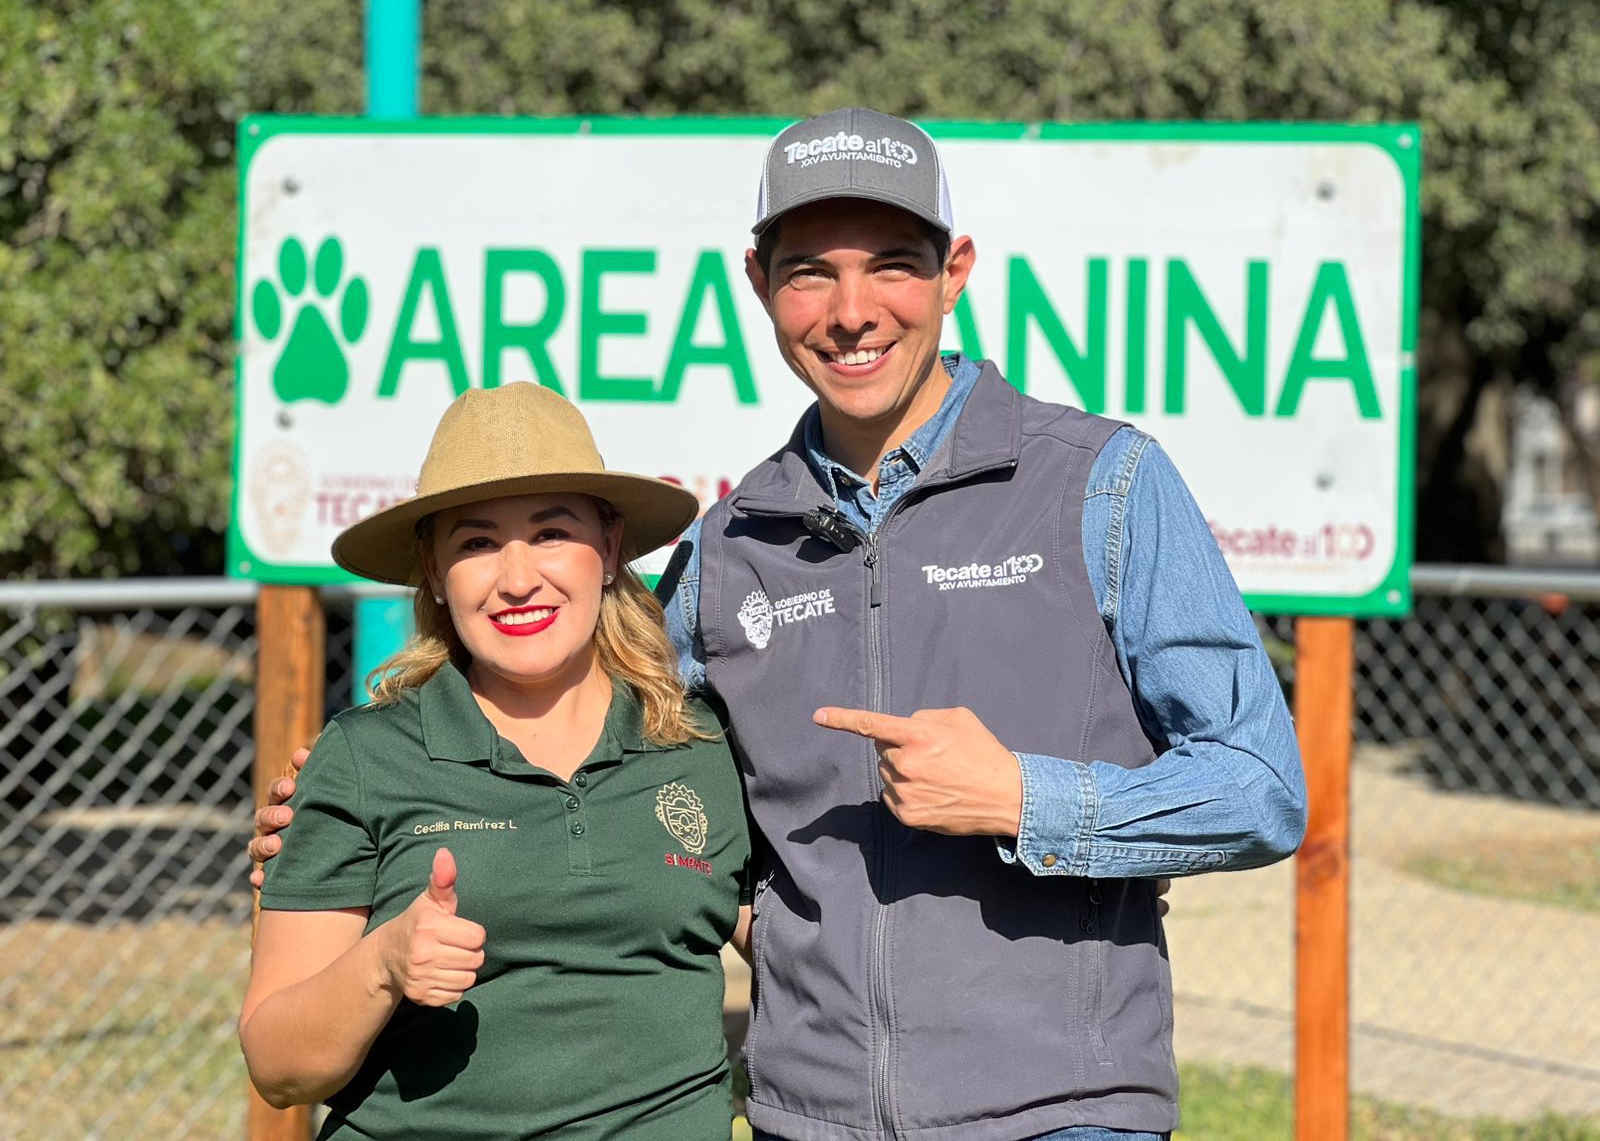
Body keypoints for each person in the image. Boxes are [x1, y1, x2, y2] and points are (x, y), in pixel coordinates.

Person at [255, 108, 1307, 1141]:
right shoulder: (732, 543)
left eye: (892, 262)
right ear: (758, 285)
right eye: (809, 271)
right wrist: (346, 826)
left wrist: (1025, 799)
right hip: (814, 1117)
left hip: (1057, 1114)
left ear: (956, 270)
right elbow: (604, 755)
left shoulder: (1101, 485)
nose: (851, 311)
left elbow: (1261, 789)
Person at [240, 382, 752, 1140]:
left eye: (551, 533)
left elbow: (810, 945)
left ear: (609, 549)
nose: (517, 579)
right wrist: (383, 964)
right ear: (434, 570)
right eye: (477, 543)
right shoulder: (361, 757)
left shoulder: (706, 747)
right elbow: (280, 1068)